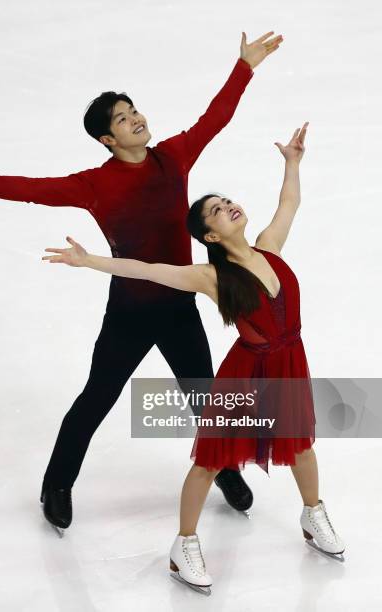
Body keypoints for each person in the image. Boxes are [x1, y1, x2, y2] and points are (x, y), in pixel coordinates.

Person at [0, 31, 283, 532]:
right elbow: (34, 191)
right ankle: (57, 483)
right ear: (107, 140)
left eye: (133, 109)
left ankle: (221, 468)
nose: (135, 118)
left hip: (180, 304)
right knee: (98, 396)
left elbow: (214, 120)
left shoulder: (172, 157)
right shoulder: (96, 184)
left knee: (206, 398)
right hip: (131, 310)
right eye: (122, 118)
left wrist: (244, 67)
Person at [41, 121, 345, 593]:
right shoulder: (209, 277)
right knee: (210, 460)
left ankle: (313, 514)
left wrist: (291, 163)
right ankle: (184, 546)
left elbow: (290, 204)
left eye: (227, 202)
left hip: (290, 361)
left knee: (301, 445)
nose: (229, 207)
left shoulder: (270, 246)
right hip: (247, 370)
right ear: (211, 236)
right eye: (218, 211)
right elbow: (144, 268)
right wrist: (91, 262)